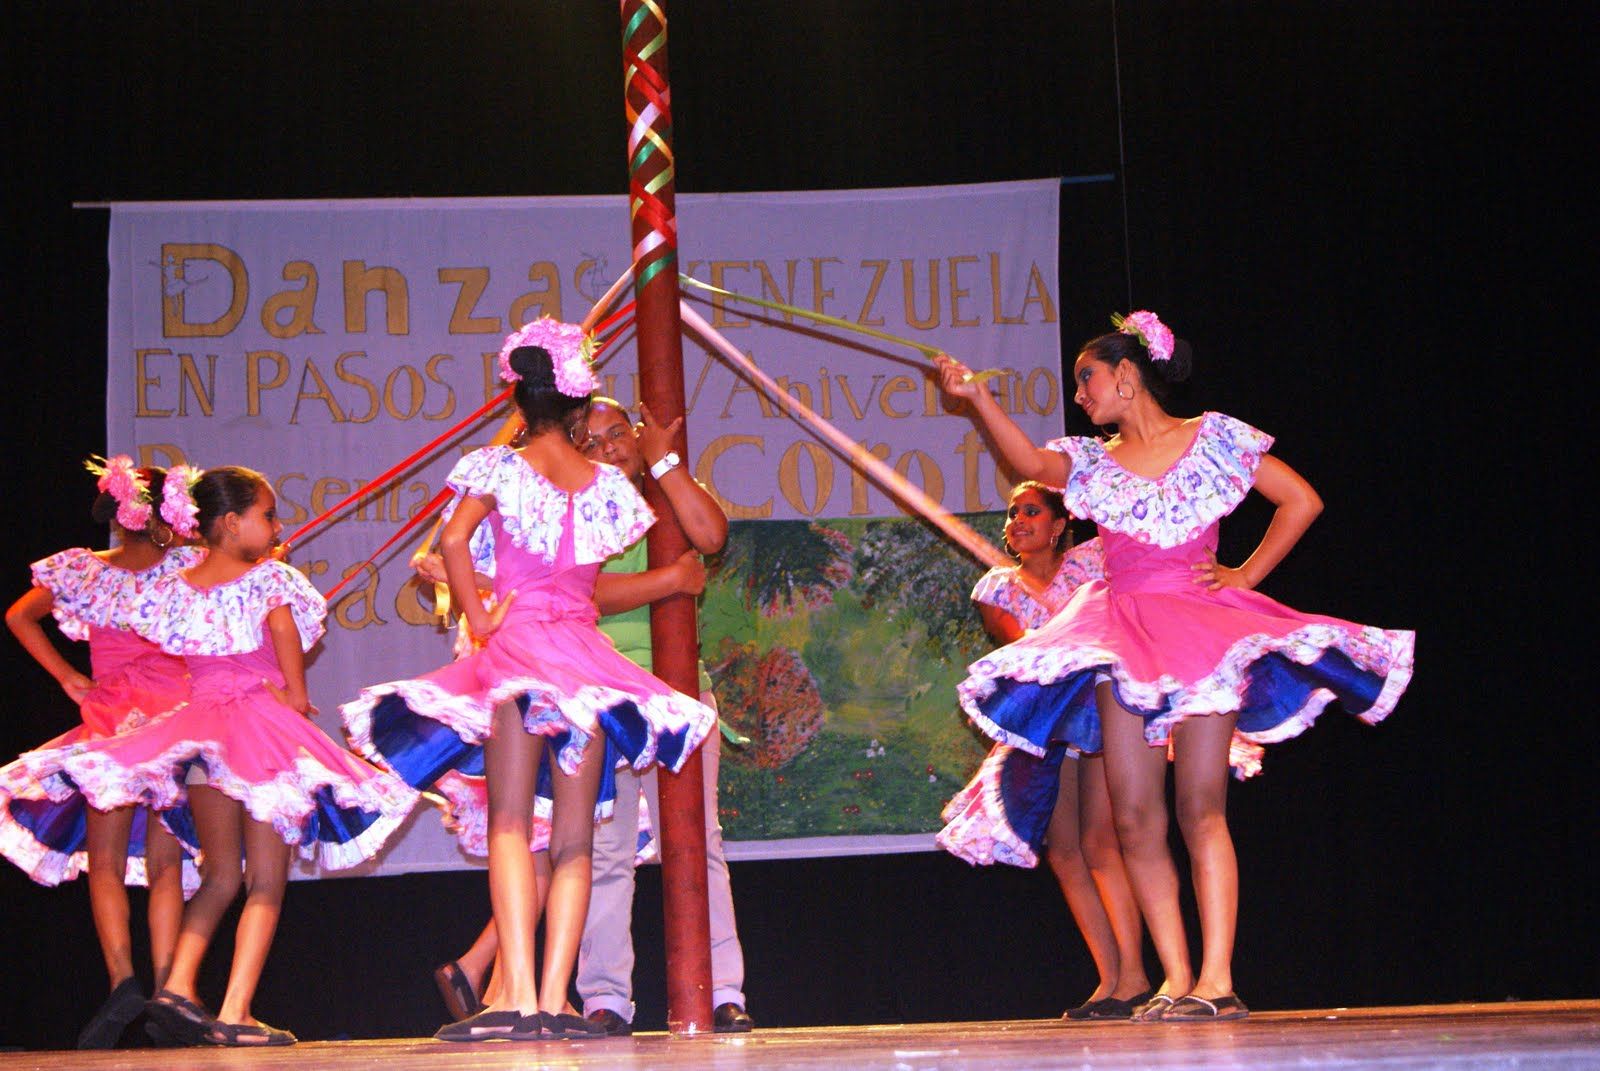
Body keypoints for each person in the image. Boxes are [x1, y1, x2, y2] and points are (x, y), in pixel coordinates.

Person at [934, 311, 1413, 1022]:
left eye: (1088, 379)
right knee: (1132, 815)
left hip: (1199, 632)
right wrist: (976, 398)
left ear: (1127, 377)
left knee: (1201, 804)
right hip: (1122, 632)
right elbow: (1032, 465)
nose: (1082, 395)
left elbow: (1300, 499)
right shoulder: (1093, 462)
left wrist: (1245, 576)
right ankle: (1175, 975)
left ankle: (1217, 976)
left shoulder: (1212, 439)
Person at [340, 320, 718, 1042]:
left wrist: (481, 616)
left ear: (520, 398)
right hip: (584, 660)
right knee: (576, 837)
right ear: (579, 410)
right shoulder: (604, 480)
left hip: (518, 654)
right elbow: (590, 575)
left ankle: (513, 997)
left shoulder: (501, 466)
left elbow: (451, 541)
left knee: (514, 822)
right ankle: (552, 997)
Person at [13, 464, 420, 1046]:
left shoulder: (177, 585)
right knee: (265, 881)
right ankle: (234, 1010)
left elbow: (174, 638)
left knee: (219, 872)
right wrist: (285, 692)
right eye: (268, 516)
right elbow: (292, 671)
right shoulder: (272, 581)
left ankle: (176, 984)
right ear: (231, 522)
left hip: (199, 739)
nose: (277, 527)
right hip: (260, 736)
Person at [424, 396, 752, 1035]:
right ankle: (605, 998)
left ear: (636, 435)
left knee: (699, 844)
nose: (608, 447)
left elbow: (711, 536)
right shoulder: (575, 503)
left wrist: (667, 463)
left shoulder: (643, 496)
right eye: (591, 438)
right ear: (572, 443)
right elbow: (582, 594)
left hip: (674, 693)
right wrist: (668, 582)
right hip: (593, 684)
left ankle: (723, 988)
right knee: (603, 849)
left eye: (617, 434)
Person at [937, 481, 1152, 1020]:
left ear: (1059, 525)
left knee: (1103, 839)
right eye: (1011, 513)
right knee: (1064, 850)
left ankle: (1136, 977)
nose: (1017, 520)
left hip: (1101, 709)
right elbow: (1020, 652)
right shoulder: (998, 587)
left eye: (1030, 511)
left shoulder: (1093, 561)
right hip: (1047, 722)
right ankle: (1111, 980)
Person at [0, 458, 196, 1048]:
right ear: (168, 516)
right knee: (167, 865)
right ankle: (167, 990)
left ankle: (122, 982)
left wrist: (67, 677)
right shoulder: (188, 569)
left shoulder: (88, 571)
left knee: (105, 861)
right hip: (171, 723)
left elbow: (17, 615)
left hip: (109, 722)